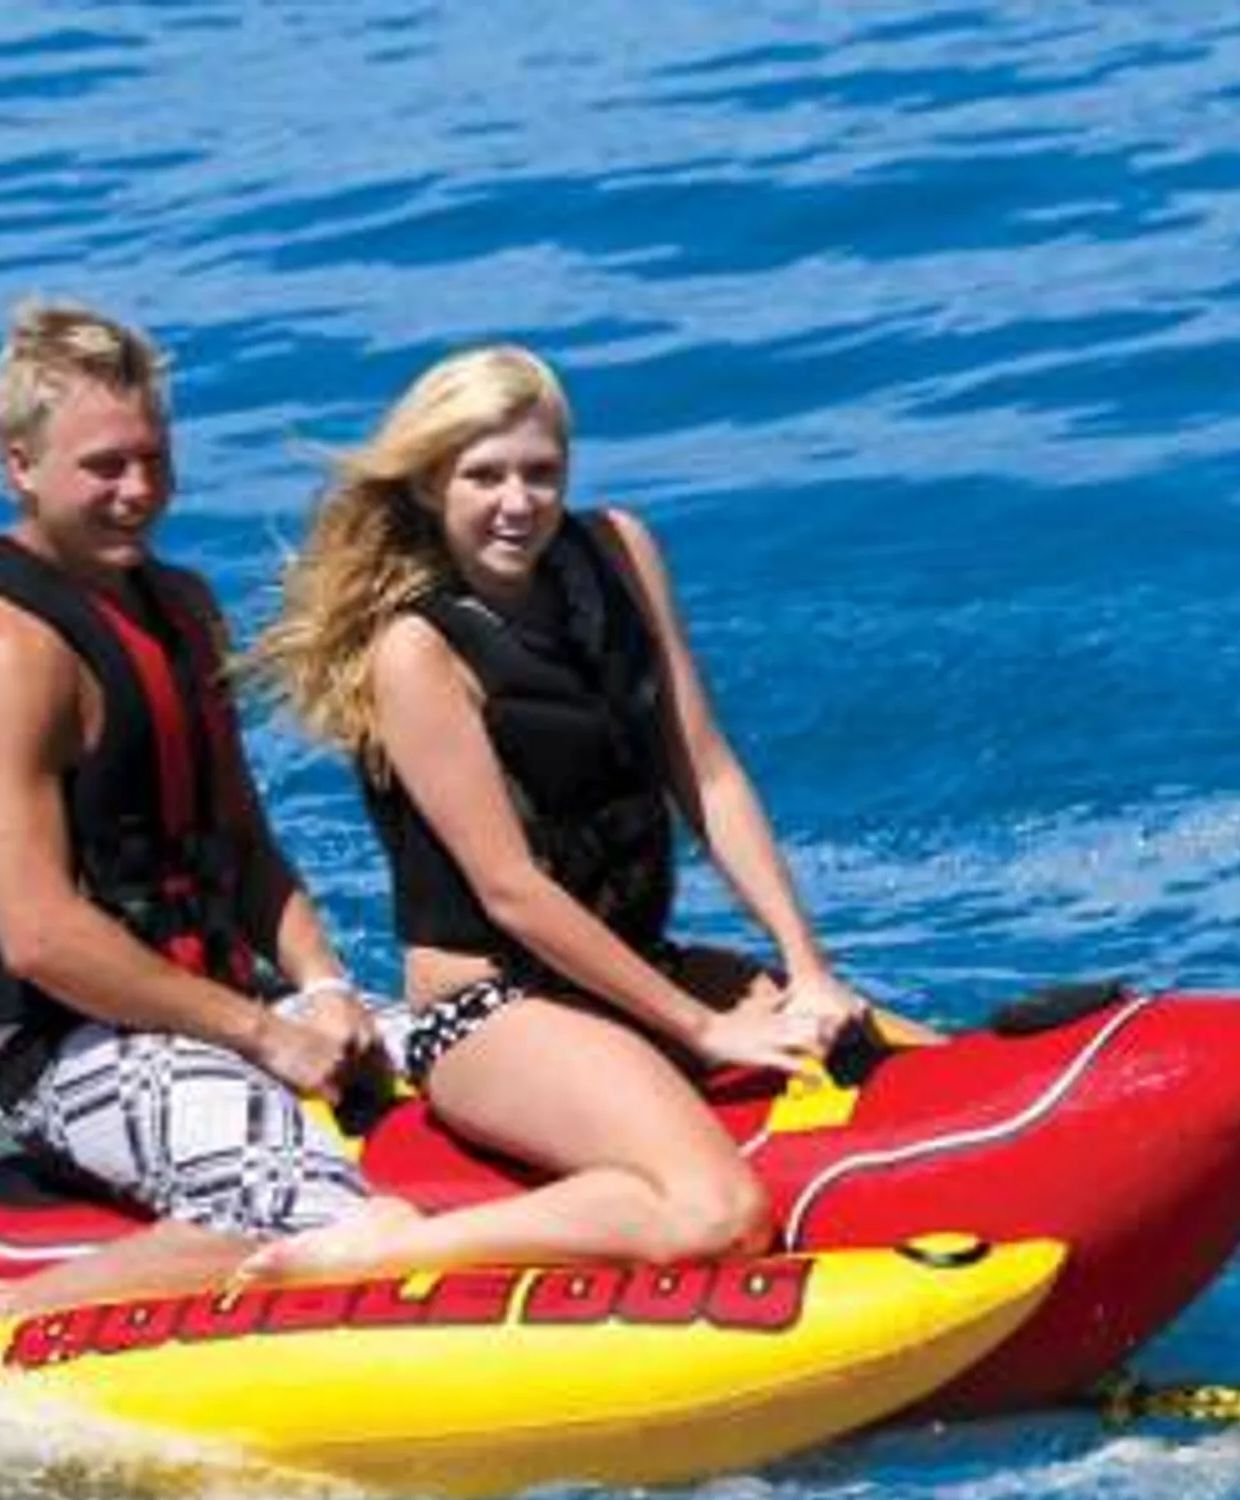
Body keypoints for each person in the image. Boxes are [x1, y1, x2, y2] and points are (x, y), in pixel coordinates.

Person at [243, 343, 927, 1282]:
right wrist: (705, 1028)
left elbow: (707, 771)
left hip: (634, 969)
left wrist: (808, 968)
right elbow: (511, 891)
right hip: (494, 1012)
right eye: (483, 476)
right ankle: (396, 1244)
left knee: (916, 1066)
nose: (518, 502)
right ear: (430, 485)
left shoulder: (618, 551)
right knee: (715, 1214)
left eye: (540, 472)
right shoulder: (417, 654)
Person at [0, 299, 417, 1341]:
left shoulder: (179, 604)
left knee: (480, 1043)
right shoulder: (2, 647)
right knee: (322, 1219)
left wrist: (323, 989)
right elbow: (40, 937)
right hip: (68, 1042)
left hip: (220, 1001)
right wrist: (266, 1036)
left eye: (152, 459)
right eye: (102, 467)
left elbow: (242, 842)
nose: (137, 492)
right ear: (18, 466)